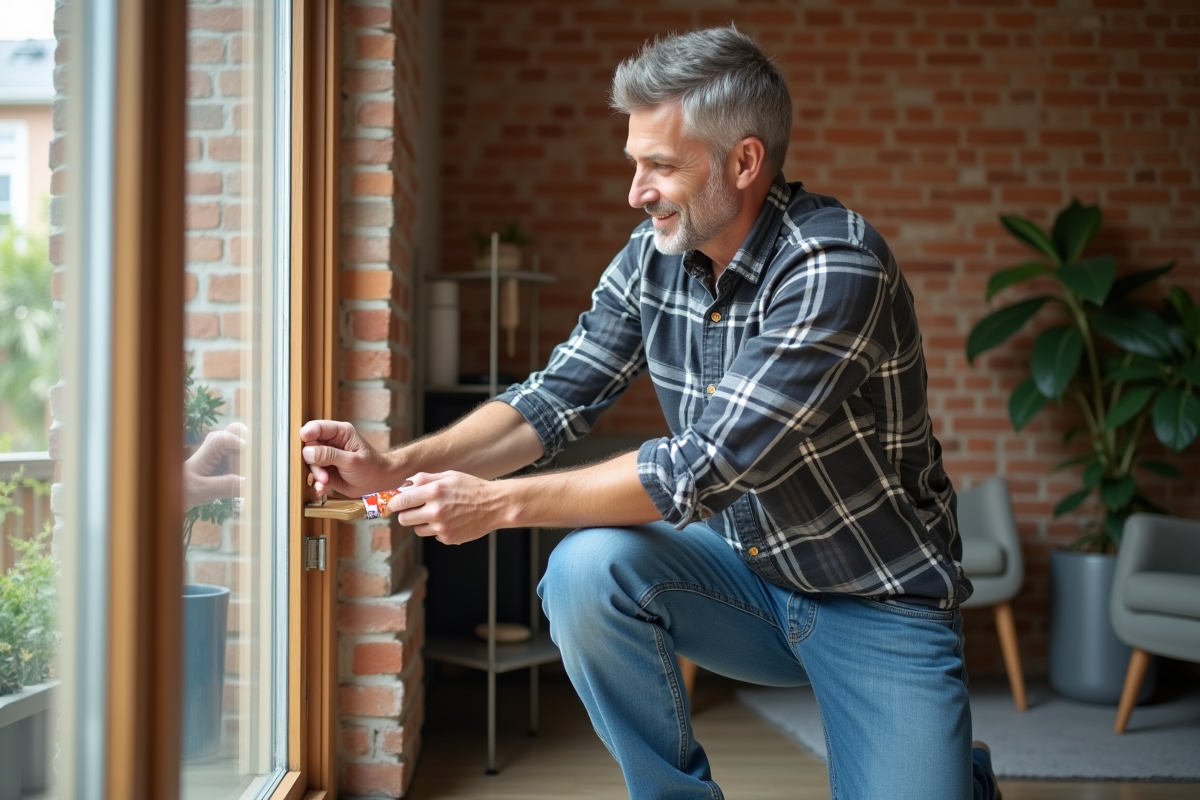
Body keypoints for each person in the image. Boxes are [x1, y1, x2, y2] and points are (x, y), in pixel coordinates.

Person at [301, 26, 1001, 800]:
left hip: (877, 600)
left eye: (660, 165)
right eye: (635, 163)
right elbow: (555, 395)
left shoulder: (833, 267)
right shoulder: (651, 256)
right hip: (749, 578)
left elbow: (701, 467)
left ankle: (952, 776)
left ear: (743, 163)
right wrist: (399, 465)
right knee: (584, 571)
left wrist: (499, 504)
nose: (635, 191)